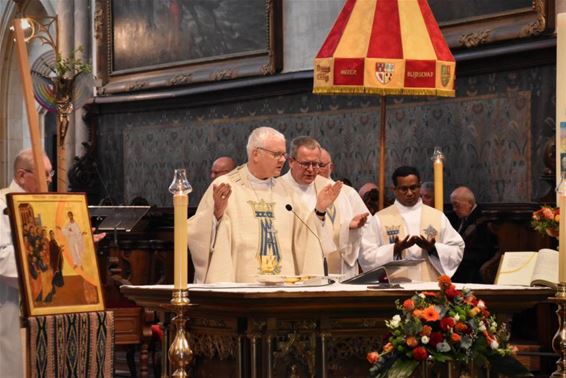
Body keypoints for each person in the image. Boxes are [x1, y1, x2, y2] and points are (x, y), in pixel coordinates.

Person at [188, 127, 341, 283]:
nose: (282, 160)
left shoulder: (287, 192)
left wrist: (320, 210)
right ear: (256, 154)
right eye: (276, 154)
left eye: (283, 154)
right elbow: (197, 235)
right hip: (240, 288)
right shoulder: (225, 186)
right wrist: (216, 214)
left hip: (283, 289)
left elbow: (307, 236)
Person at [279, 138, 370, 279]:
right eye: (305, 164)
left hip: (327, 271)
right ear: (291, 162)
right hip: (292, 269)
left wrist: (348, 228)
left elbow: (335, 237)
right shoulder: (276, 189)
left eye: (316, 164)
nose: (311, 170)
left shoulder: (331, 189)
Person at [0, 149, 53, 377]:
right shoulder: (2, 204)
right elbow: (2, 259)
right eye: (45, 174)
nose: (50, 180)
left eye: (50, 175)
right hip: (8, 303)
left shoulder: (45, 204)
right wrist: (43, 256)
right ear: (22, 175)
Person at [359, 166, 464, 280]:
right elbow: (366, 256)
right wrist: (394, 249)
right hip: (394, 289)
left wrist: (433, 249)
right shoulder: (380, 218)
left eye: (413, 188)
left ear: (420, 185)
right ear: (394, 190)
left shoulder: (437, 217)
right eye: (403, 189)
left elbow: (457, 249)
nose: (409, 193)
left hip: (430, 288)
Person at [449, 186, 498, 283]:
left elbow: (482, 253)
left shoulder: (483, 222)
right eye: (452, 205)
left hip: (472, 272)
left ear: (470, 203)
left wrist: (454, 257)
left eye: (457, 205)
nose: (454, 209)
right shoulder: (455, 218)